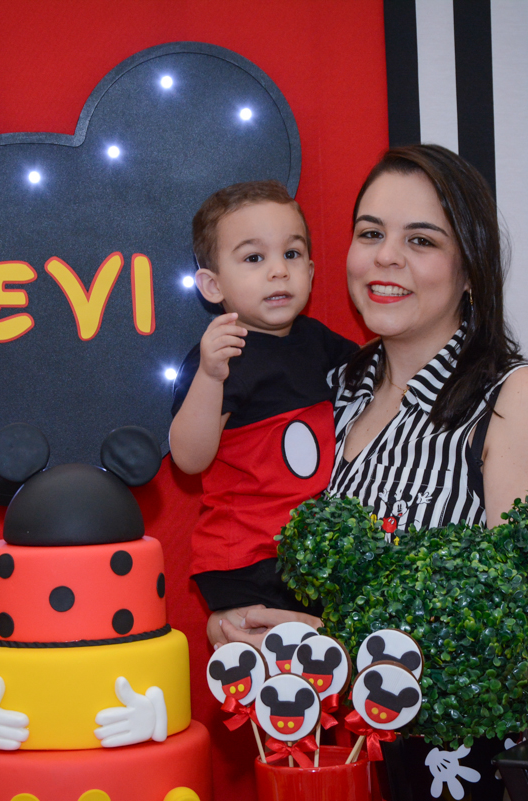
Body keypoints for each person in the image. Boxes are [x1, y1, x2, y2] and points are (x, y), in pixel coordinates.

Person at [218, 144, 528, 641]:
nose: (385, 256)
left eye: (421, 240)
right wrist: (235, 620)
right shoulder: (329, 387)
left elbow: (524, 629)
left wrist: (331, 644)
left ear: (470, 270)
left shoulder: (516, 399)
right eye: (371, 233)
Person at [168, 180, 357, 649]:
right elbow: (189, 458)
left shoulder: (318, 342)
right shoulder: (221, 355)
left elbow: (378, 378)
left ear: (310, 270)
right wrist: (210, 377)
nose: (278, 271)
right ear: (213, 285)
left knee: (322, 647)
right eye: (254, 258)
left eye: (292, 254)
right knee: (278, 654)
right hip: (247, 556)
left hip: (310, 550)